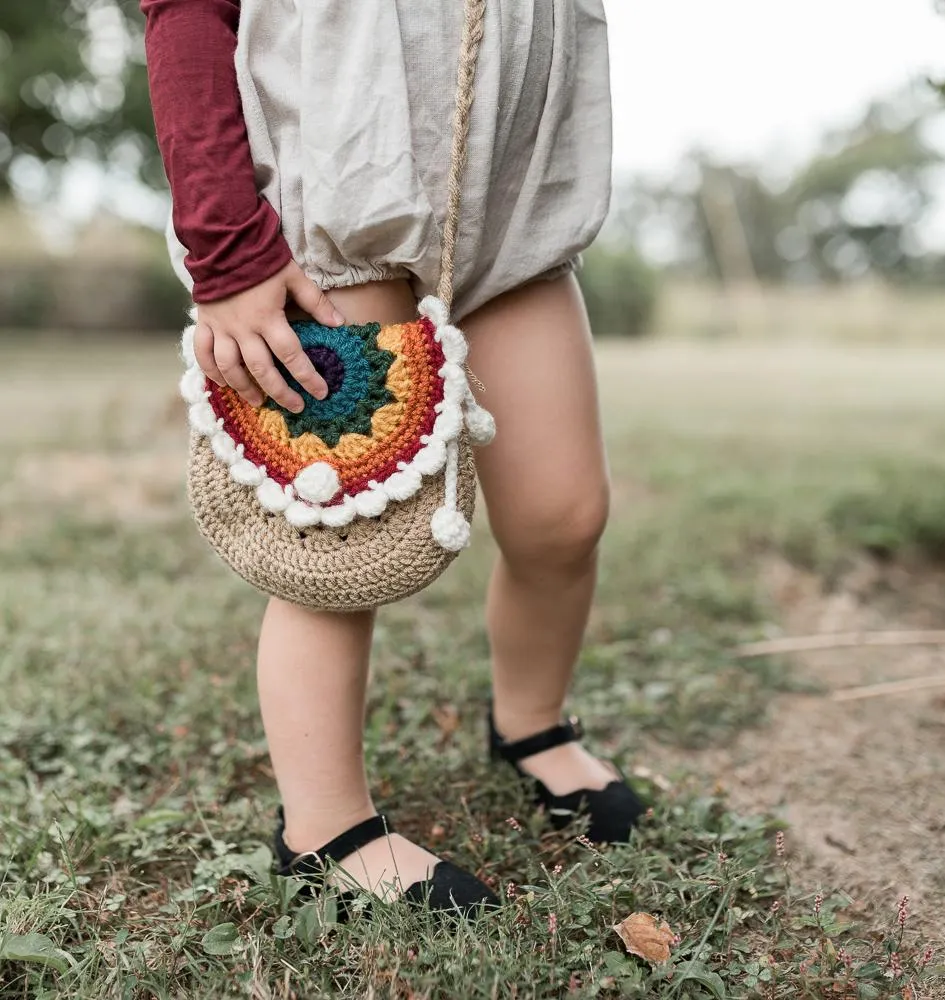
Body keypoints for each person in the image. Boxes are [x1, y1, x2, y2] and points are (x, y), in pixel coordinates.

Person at [140, 0, 644, 917]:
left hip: (512, 203)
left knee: (564, 514)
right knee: (340, 536)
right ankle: (323, 829)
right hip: (345, 183)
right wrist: (227, 248)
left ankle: (529, 720)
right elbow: (184, 15)